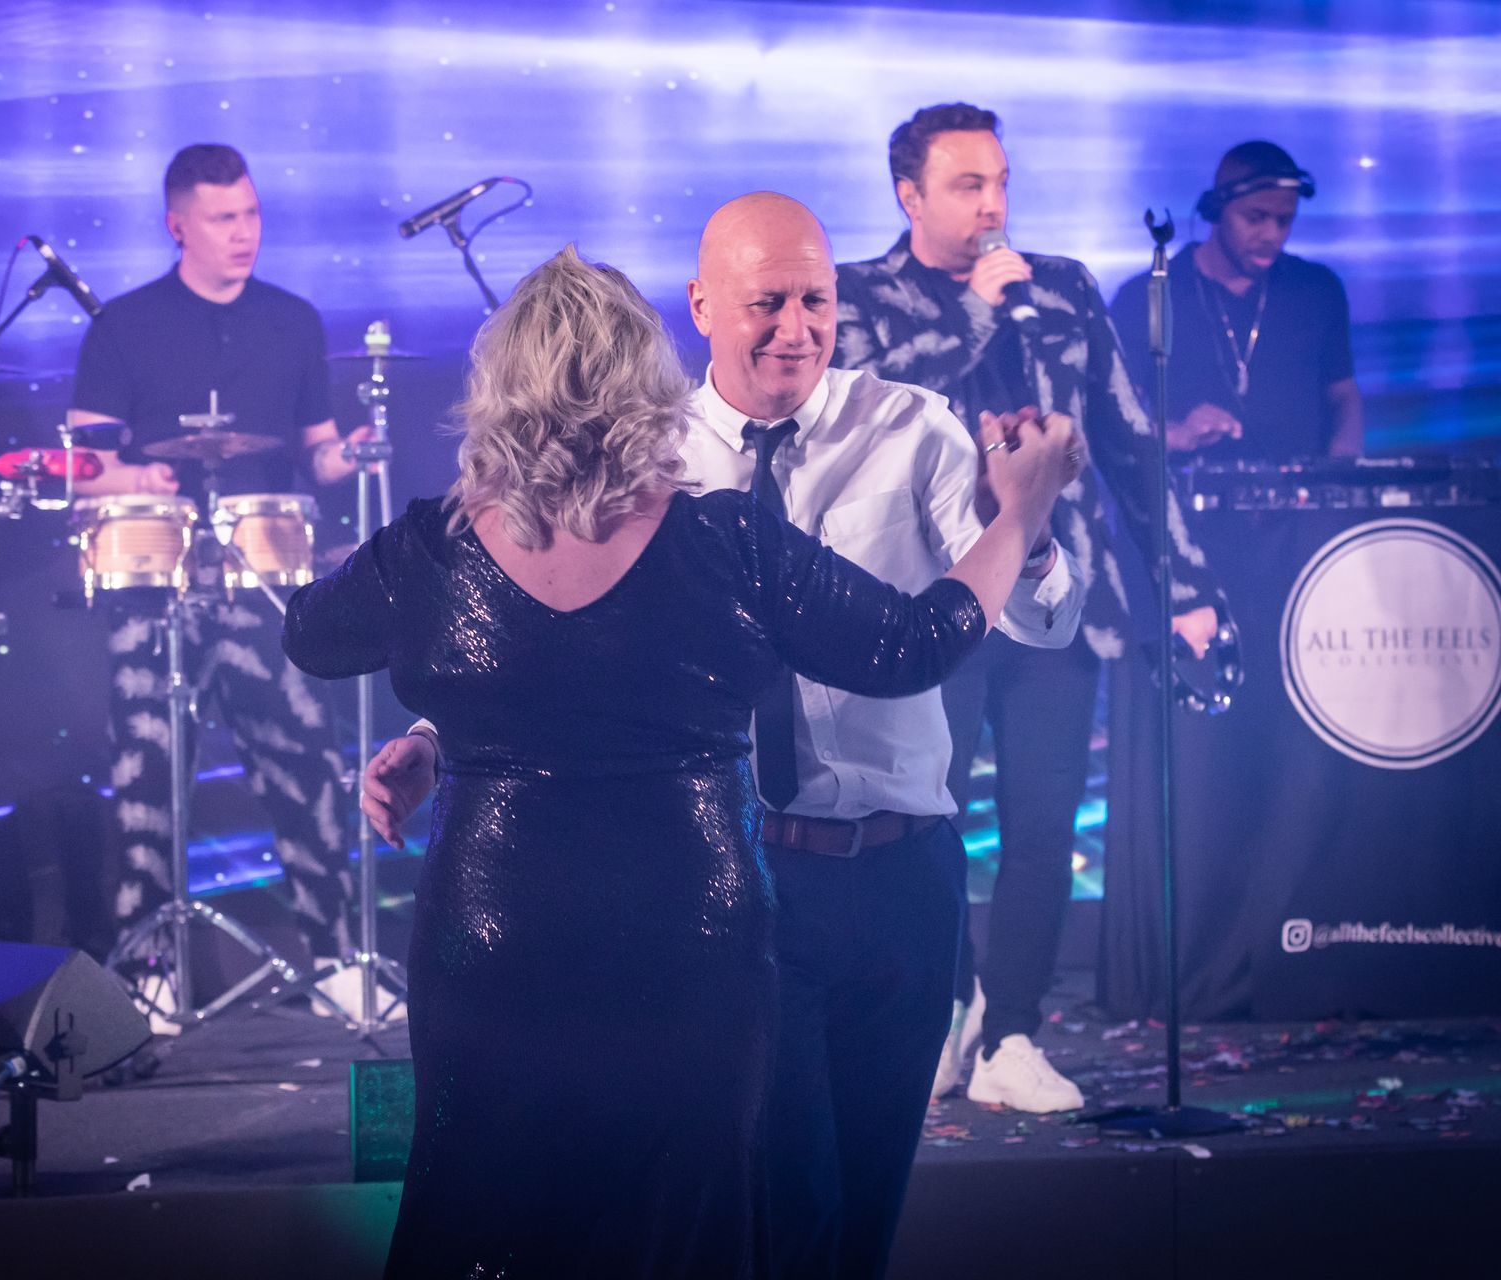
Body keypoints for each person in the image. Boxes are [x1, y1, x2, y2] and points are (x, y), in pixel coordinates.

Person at [284, 245, 1075, 1279]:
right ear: (647, 382)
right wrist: (1019, 515)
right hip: (687, 942)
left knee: (483, 1211)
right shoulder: (725, 541)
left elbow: (314, 636)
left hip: (494, 939)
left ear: (500, 390)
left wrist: (447, 708)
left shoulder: (430, 550)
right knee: (683, 1221)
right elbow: (911, 647)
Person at [831, 103, 1228, 1115]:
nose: (992, 204)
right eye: (968, 185)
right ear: (910, 196)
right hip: (931, 603)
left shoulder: (1061, 288)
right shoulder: (859, 296)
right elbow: (867, 419)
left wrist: (1184, 586)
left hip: (1058, 595)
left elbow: (1132, 441)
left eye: (1000, 181)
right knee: (927, 821)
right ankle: (947, 1003)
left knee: (1044, 823)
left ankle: (1012, 1033)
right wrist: (970, 315)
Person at [66, 143, 374, 1009]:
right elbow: (80, 464)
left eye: (251, 214)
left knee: (306, 766)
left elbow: (317, 454)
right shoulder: (124, 325)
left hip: (263, 579)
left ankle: (337, 961)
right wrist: (138, 476)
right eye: (223, 219)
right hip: (153, 583)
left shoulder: (293, 321)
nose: (244, 233)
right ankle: (151, 976)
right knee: (148, 779)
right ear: (178, 226)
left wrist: (355, 454)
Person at [1110, 140, 1364, 460]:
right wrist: (1175, 434)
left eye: (1284, 220)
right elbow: (1113, 421)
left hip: (1303, 489)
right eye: (1255, 218)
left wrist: (1342, 470)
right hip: (1186, 490)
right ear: (1217, 211)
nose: (1272, 235)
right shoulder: (1147, 296)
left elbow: (1343, 395)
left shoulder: (1317, 289)